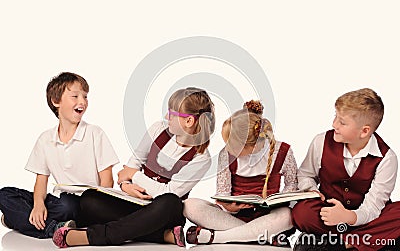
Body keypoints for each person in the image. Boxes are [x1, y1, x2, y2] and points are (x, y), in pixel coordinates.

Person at [52, 87, 215, 248]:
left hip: (163, 212)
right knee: (89, 199)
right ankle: (162, 235)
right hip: (136, 202)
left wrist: (134, 176)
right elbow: (132, 165)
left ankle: (92, 236)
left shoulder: (201, 158)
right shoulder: (158, 129)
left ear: (189, 121)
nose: (167, 117)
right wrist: (126, 185)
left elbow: (168, 191)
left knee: (171, 202)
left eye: (172, 114)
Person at [0, 72, 119, 239]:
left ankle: (17, 219)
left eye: (85, 96)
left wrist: (100, 211)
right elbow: (41, 181)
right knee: (4, 195)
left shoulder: (94, 133)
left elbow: (107, 181)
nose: (82, 102)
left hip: (84, 203)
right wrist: (38, 204)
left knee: (67, 207)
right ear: (56, 102)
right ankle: (55, 228)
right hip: (58, 201)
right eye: (75, 96)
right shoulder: (45, 139)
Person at [292, 88, 400, 251]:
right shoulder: (321, 141)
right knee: (301, 212)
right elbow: (306, 174)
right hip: (328, 214)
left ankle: (343, 243)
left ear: (364, 131)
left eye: (342, 122)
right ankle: (367, 241)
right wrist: (312, 191)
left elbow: (374, 206)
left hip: (367, 217)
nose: (334, 124)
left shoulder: (387, 158)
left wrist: (350, 217)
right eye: (335, 117)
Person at [183, 100, 298, 246]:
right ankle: (261, 236)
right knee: (189, 205)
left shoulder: (282, 151)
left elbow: (292, 186)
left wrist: (277, 200)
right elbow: (223, 193)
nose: (228, 148)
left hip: (268, 216)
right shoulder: (226, 154)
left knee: (287, 215)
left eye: (232, 145)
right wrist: (230, 207)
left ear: (251, 145)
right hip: (234, 217)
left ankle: (217, 237)